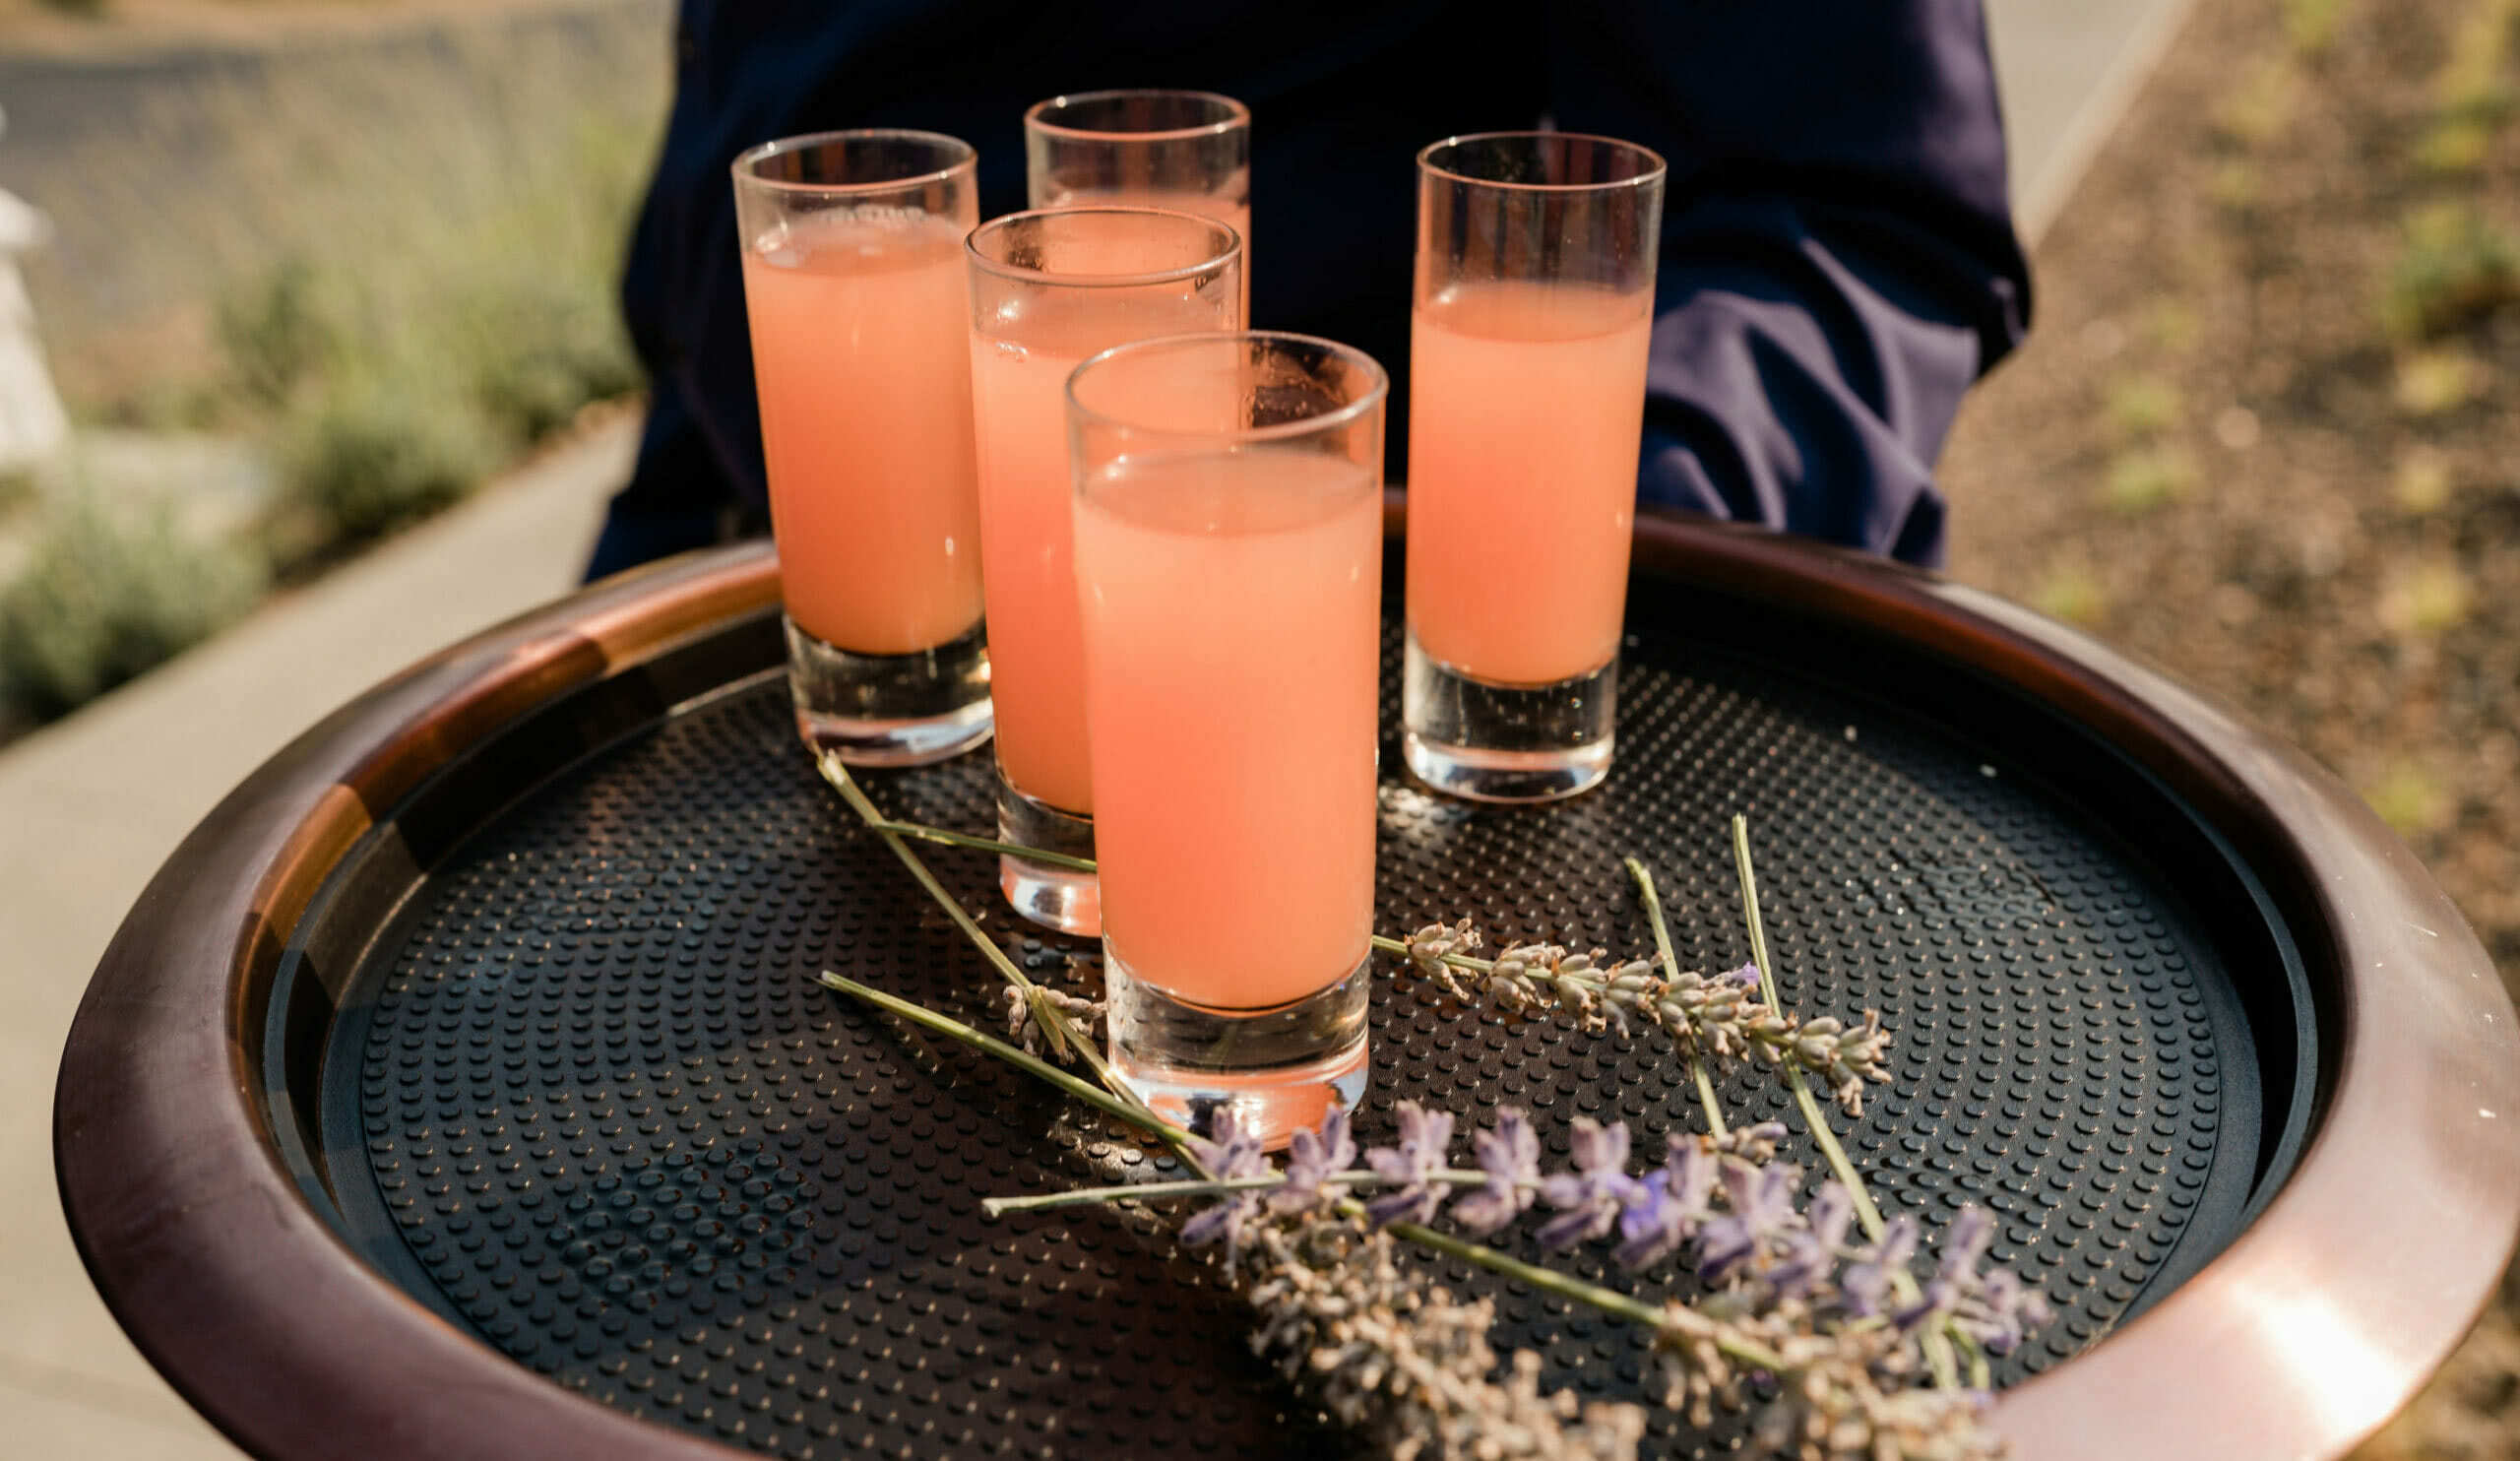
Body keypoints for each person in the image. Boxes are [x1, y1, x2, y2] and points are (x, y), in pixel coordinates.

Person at [587, 0, 2029, 581]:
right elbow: (736, 244)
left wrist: (1518, 629)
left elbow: (1834, 204)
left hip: (1359, 766)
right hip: (818, 694)